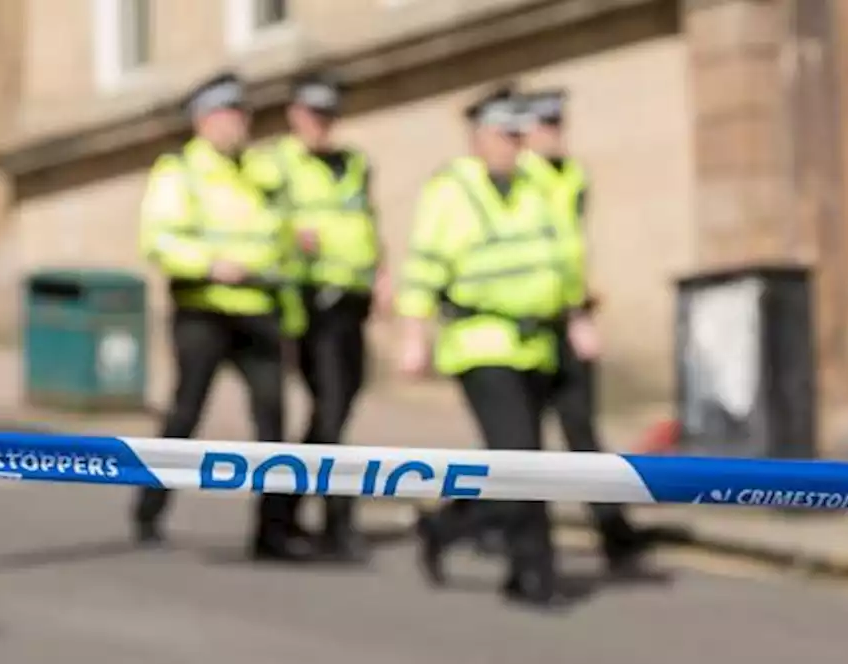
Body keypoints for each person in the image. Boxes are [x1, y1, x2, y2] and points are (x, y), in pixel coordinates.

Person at [398, 85, 597, 607]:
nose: (515, 145)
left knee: (515, 464)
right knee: (525, 460)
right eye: (505, 135)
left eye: (519, 134)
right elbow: (423, 266)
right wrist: (413, 334)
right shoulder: (449, 190)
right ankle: (535, 575)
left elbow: (563, 256)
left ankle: (446, 526)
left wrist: (577, 315)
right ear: (479, 137)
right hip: (480, 345)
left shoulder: (538, 184)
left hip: (537, 344)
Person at [132, 71, 312, 562]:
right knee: (185, 414)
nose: (238, 126)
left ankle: (273, 531)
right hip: (203, 309)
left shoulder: (260, 171)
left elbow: (278, 233)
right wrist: (210, 265)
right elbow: (159, 239)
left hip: (259, 312)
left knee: (273, 419)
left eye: (242, 116)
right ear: (202, 121)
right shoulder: (180, 171)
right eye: (227, 116)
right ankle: (149, 510)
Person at [244, 70, 389, 562]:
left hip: (351, 300)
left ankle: (284, 515)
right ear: (294, 115)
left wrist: (382, 275)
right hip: (308, 303)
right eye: (312, 115)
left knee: (337, 411)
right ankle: (326, 519)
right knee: (328, 412)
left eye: (328, 116)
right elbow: (254, 219)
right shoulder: (274, 164)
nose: (320, 125)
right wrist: (289, 233)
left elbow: (366, 221)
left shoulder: (352, 163)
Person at [516, 88, 656, 573]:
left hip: (567, 321)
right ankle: (454, 523)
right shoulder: (515, 180)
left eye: (559, 124)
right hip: (525, 328)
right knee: (517, 445)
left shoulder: (572, 176)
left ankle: (614, 532)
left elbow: (568, 250)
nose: (555, 134)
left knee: (581, 431)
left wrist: (580, 310)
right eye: (544, 125)